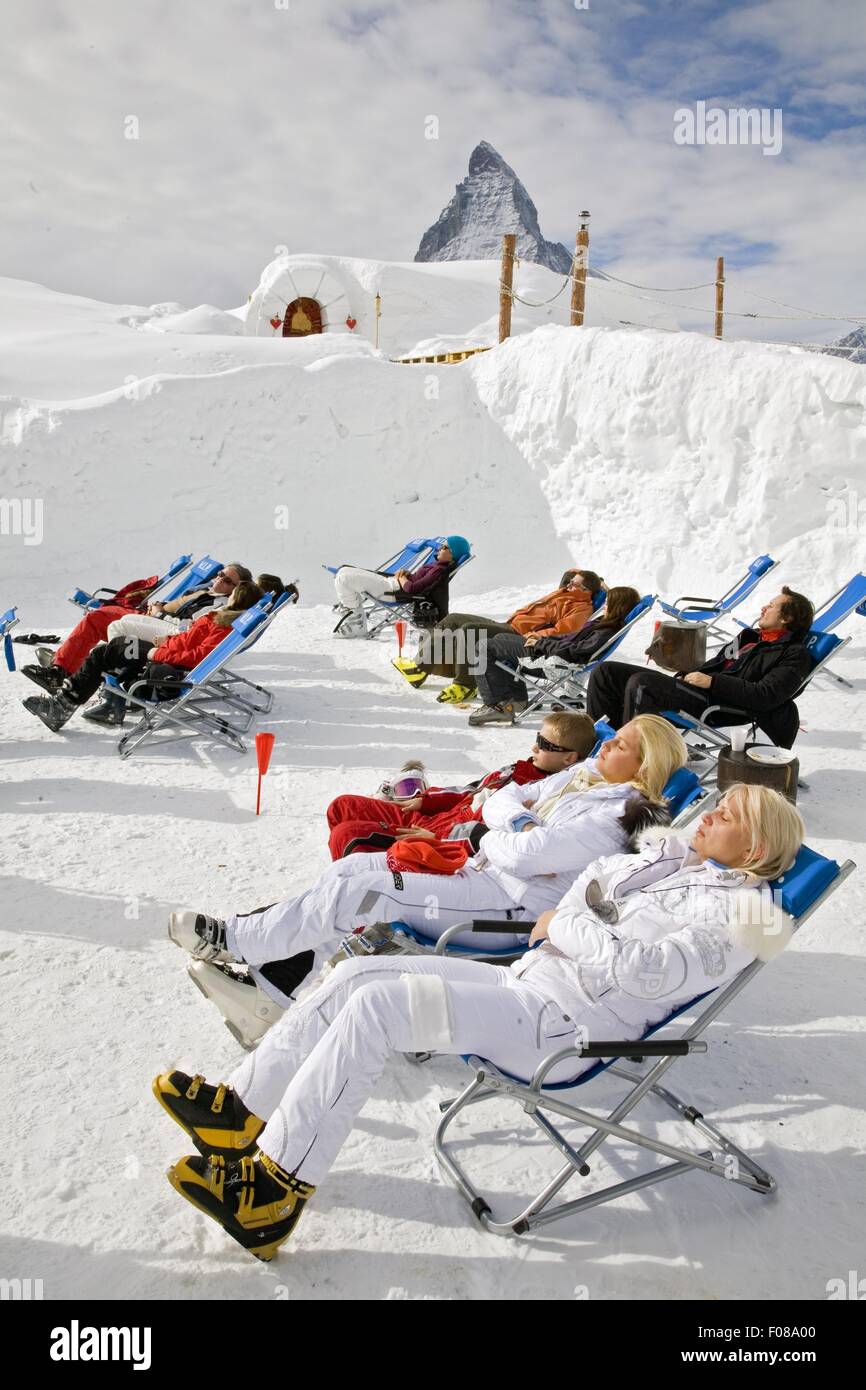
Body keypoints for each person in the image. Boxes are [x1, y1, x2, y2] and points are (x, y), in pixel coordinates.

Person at [152, 782, 804, 1261]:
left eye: (731, 813)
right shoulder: (664, 863)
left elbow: (645, 972)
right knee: (355, 976)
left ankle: (273, 1194)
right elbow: (592, 886)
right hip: (527, 987)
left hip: (563, 1030)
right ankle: (240, 1112)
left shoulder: (749, 916)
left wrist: (576, 927)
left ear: (760, 845)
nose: (712, 810)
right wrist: (587, 922)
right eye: (719, 800)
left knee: (379, 1008)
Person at [167, 715, 686, 1043]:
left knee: (361, 891)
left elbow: (529, 858)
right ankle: (273, 992)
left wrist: (493, 835)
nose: (606, 745)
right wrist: (513, 823)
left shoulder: (619, 814)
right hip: (482, 876)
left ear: (644, 766)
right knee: (351, 870)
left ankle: (237, 941)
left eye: (619, 744)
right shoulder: (581, 777)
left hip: (510, 909)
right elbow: (504, 797)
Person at [325, 712, 598, 859]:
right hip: (435, 816)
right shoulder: (519, 769)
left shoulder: (542, 793)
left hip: (444, 839)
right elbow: (469, 791)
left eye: (545, 745)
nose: (534, 746)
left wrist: (442, 840)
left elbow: (496, 838)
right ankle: (354, 879)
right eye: (537, 738)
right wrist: (427, 801)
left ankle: (357, 912)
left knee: (348, 835)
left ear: (569, 759)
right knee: (342, 806)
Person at [22, 580, 264, 732]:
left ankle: (64, 706)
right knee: (109, 650)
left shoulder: (224, 625)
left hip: (165, 660)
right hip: (166, 651)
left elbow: (197, 656)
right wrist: (168, 642)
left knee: (106, 652)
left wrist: (158, 650)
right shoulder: (224, 619)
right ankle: (78, 701)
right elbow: (190, 642)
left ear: (236, 598)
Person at [587, 588, 814, 749]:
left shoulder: (794, 654)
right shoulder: (750, 637)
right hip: (700, 690)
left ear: (788, 618)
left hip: (721, 704)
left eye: (772, 606)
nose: (764, 608)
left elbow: (766, 696)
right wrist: (687, 676)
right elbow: (715, 664)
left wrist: (713, 682)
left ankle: (627, 755)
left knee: (642, 685)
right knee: (606, 672)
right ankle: (601, 745)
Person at [21, 563, 253, 693]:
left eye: (227, 580)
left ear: (236, 589)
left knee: (105, 620)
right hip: (160, 618)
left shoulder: (218, 607)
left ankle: (98, 678)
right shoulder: (206, 590)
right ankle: (65, 668)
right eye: (220, 574)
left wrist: (159, 613)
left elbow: (187, 629)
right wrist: (159, 606)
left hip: (168, 629)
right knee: (97, 618)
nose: (219, 579)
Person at [393, 569, 603, 703]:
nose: (568, 583)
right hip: (508, 625)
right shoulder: (567, 593)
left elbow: (565, 632)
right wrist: (596, 583)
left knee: (469, 630)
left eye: (573, 583)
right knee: (454, 619)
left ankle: (466, 685)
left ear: (585, 590)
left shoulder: (580, 607)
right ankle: (421, 668)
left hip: (520, 636)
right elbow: (572, 572)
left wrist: (535, 635)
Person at [469, 586, 641, 726]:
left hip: (554, 661)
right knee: (500, 638)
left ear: (617, 606)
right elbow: (570, 639)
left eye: (608, 602)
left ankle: (497, 706)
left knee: (483, 647)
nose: (605, 605)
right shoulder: (603, 623)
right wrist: (540, 638)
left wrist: (540, 644)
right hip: (550, 651)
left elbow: (576, 651)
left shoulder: (606, 630)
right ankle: (517, 699)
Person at [333, 537, 470, 639]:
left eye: (445, 547)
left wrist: (401, 578)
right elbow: (418, 580)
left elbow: (412, 589)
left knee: (343, 578)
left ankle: (357, 623)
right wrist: (407, 574)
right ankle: (353, 612)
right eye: (441, 546)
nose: (440, 548)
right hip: (392, 583)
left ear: (453, 554)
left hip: (392, 591)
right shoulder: (436, 565)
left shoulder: (439, 571)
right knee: (343, 571)